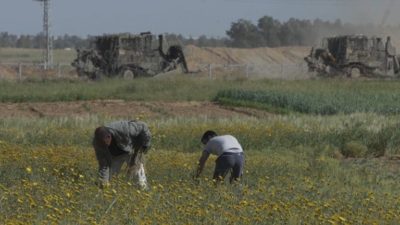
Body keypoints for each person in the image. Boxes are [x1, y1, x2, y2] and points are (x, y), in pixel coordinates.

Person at [92, 120, 151, 189]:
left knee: (138, 176)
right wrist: (103, 182)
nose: (103, 147)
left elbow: (143, 126)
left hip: (131, 150)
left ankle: (143, 190)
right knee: (110, 180)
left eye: (104, 144)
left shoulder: (124, 129)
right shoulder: (97, 143)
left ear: (109, 137)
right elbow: (103, 165)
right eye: (101, 145)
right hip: (115, 156)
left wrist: (145, 144)